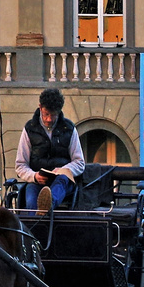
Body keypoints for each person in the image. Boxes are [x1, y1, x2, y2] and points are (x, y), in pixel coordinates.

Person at [17, 87, 85, 215]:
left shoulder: (69, 129)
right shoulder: (29, 129)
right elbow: (20, 165)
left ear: (59, 112)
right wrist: (34, 176)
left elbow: (80, 162)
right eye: (46, 114)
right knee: (31, 202)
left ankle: (47, 205)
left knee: (62, 179)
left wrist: (63, 170)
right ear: (40, 107)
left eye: (53, 115)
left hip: (62, 180)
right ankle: (35, 229)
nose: (49, 119)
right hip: (37, 181)